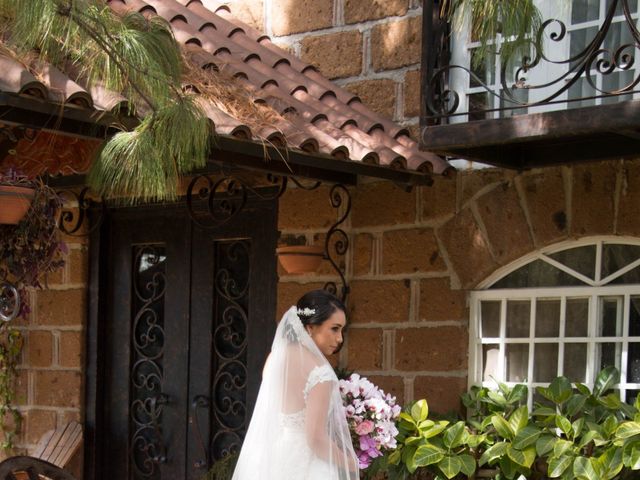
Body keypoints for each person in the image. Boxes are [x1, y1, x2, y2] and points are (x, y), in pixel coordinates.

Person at [232, 290, 359, 480]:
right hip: (306, 467)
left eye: (342, 330)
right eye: (334, 328)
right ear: (310, 328)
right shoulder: (320, 373)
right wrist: (352, 463)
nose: (340, 338)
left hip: (271, 458)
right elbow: (315, 439)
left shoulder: (275, 357)